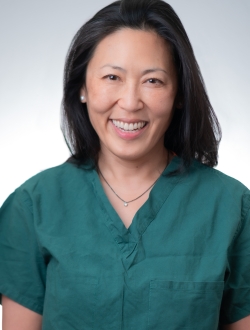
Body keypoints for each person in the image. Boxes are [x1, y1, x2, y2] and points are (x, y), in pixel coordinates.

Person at [0, 0, 249, 329]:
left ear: (179, 95)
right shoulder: (32, 206)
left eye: (153, 81)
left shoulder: (232, 208)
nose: (130, 103)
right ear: (83, 88)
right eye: (112, 76)